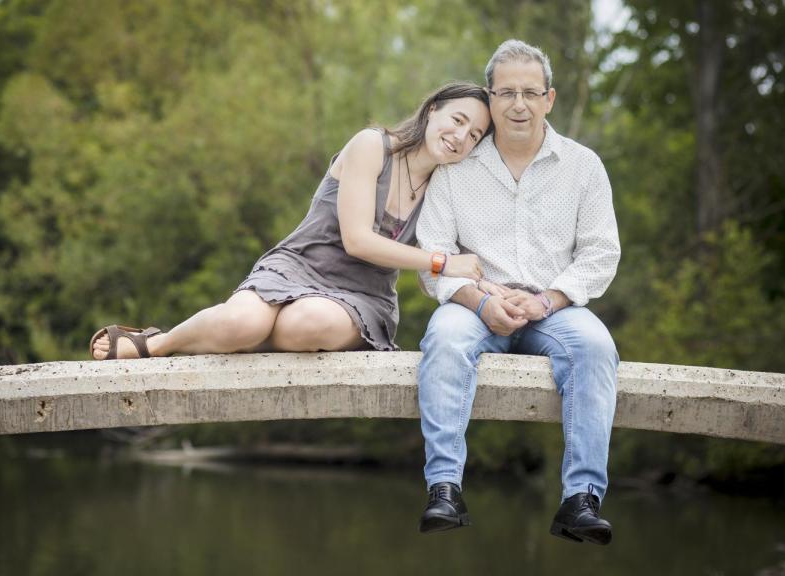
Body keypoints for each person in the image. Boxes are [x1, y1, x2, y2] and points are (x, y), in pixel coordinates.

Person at [90, 83, 492, 360]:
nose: (461, 136)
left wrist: (515, 295)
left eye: (474, 135)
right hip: (299, 264)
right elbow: (357, 241)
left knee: (307, 325)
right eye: (458, 120)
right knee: (240, 321)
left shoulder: (446, 191)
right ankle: (158, 344)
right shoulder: (372, 146)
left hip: (362, 296)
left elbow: (472, 263)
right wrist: (439, 260)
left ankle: (246, 339)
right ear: (433, 109)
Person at [414, 40, 621, 545]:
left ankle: (581, 500)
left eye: (530, 92)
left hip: (553, 307)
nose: (519, 104)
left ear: (549, 98)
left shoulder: (583, 166)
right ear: (490, 98)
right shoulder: (455, 168)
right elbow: (433, 256)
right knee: (442, 341)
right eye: (506, 92)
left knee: (596, 347)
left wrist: (548, 300)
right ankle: (444, 489)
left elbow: (601, 253)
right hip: (474, 305)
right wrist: (482, 301)